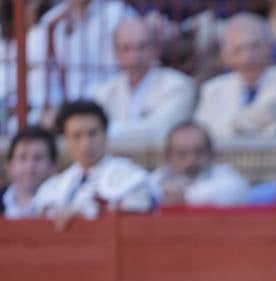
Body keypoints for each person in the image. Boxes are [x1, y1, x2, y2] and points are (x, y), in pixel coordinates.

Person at [32, 99, 154, 226]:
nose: (86, 144)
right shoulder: (53, 187)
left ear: (105, 134)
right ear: (66, 141)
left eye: (93, 133)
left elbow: (141, 205)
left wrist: (87, 212)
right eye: (77, 136)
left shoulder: (128, 176)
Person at [195, 13, 276, 142]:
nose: (248, 56)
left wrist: (230, 126)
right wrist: (255, 121)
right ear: (226, 56)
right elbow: (202, 135)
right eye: (239, 49)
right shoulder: (212, 89)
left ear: (270, 46)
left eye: (255, 46)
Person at [91, 17, 196, 145]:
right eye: (126, 49)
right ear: (116, 53)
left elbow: (162, 129)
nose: (134, 57)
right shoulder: (104, 91)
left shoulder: (179, 85)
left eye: (142, 47)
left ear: (155, 49)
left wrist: (109, 130)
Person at [151, 121, 250, 207]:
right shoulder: (159, 178)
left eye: (199, 152)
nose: (191, 161)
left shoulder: (225, 177)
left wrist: (182, 194)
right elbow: (143, 194)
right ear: (168, 157)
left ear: (211, 154)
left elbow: (237, 191)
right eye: (181, 154)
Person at [1, 126, 58, 218]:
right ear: (9, 165)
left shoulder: (65, 202)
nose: (30, 166)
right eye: (23, 157)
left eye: (38, 158)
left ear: (53, 166)